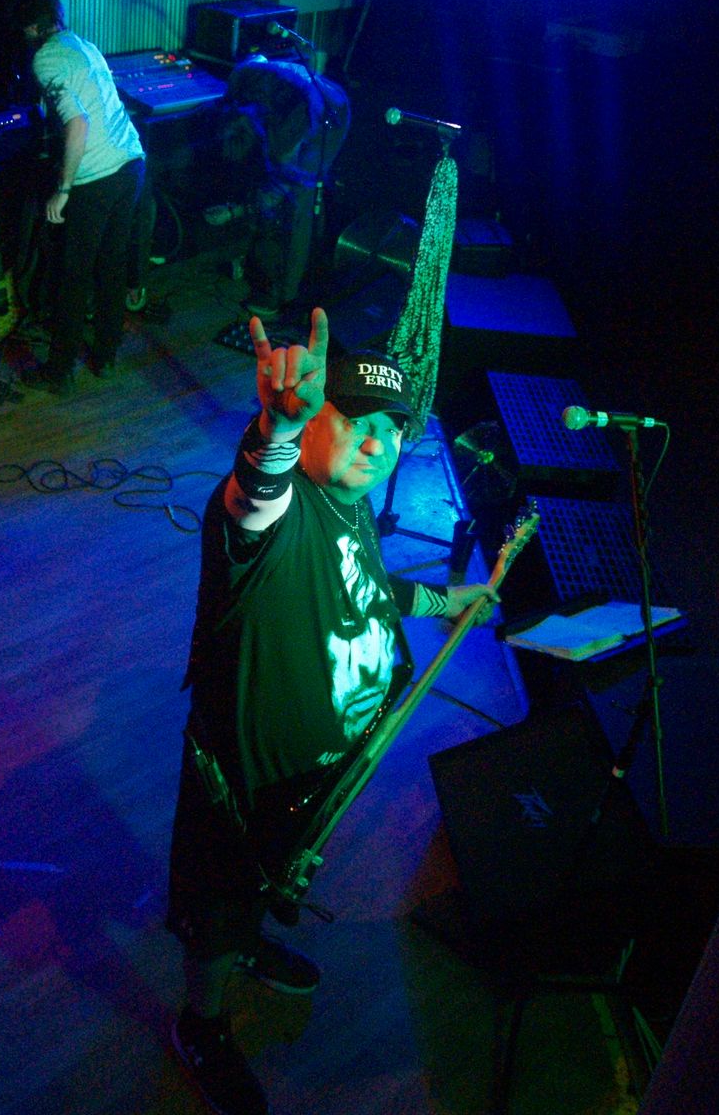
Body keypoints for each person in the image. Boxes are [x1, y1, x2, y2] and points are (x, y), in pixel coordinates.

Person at [167, 308, 495, 1115]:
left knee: (261, 884)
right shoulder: (281, 513)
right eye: (357, 421)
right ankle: (201, 1023)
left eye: (393, 430)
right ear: (315, 419)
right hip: (246, 783)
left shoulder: (353, 507)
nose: (378, 445)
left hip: (315, 779)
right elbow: (253, 500)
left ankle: (246, 940)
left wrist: (446, 600)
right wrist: (276, 429)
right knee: (218, 903)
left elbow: (370, 588)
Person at [14, 0, 146, 395]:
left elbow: (77, 123)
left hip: (97, 176)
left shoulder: (46, 58)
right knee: (112, 265)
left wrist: (64, 189)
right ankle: (105, 355)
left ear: (32, 28)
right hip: (131, 163)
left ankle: (59, 371)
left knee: (73, 275)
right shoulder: (83, 45)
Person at [220, 56, 350, 320]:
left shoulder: (289, 105)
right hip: (319, 107)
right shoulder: (259, 82)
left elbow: (283, 165)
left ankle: (285, 296)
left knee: (300, 204)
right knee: (282, 185)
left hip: (326, 120)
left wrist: (241, 209)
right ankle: (268, 267)